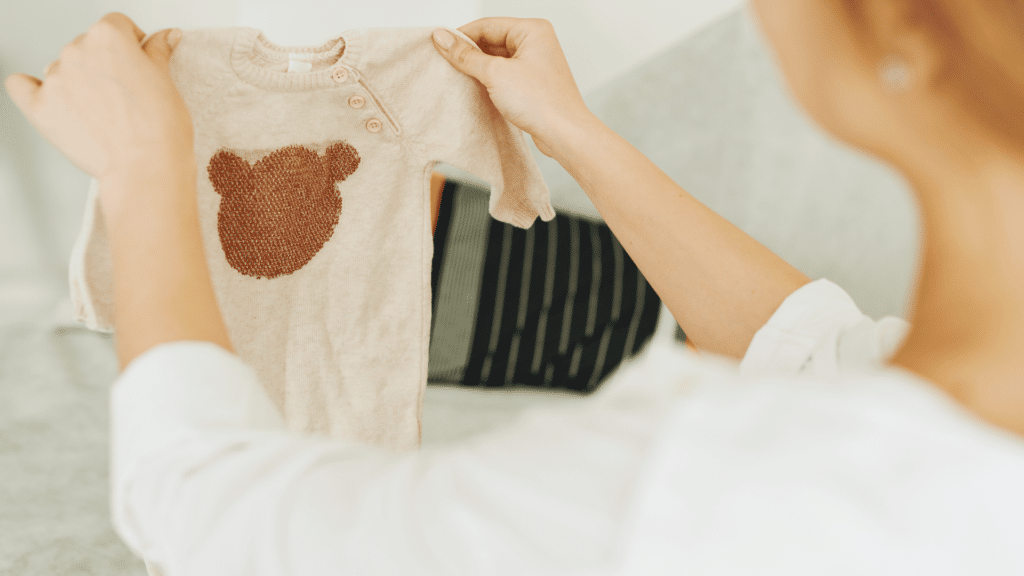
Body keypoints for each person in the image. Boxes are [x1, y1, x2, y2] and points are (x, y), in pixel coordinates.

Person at [5, 1, 1024, 573]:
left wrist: (146, 171)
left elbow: (211, 519)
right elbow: (821, 353)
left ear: (903, 32)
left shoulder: (689, 488)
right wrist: (568, 132)